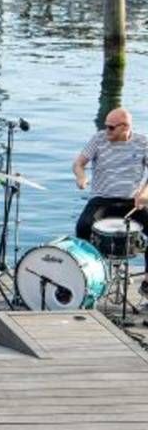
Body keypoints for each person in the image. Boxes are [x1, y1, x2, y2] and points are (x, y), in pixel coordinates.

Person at [73, 108, 148, 292]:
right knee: (83, 227)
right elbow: (78, 163)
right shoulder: (98, 139)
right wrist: (81, 177)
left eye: (111, 128)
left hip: (131, 200)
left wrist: (145, 194)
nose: (107, 131)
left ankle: (147, 282)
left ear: (125, 127)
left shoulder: (143, 143)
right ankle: (88, 278)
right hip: (102, 199)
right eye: (106, 126)